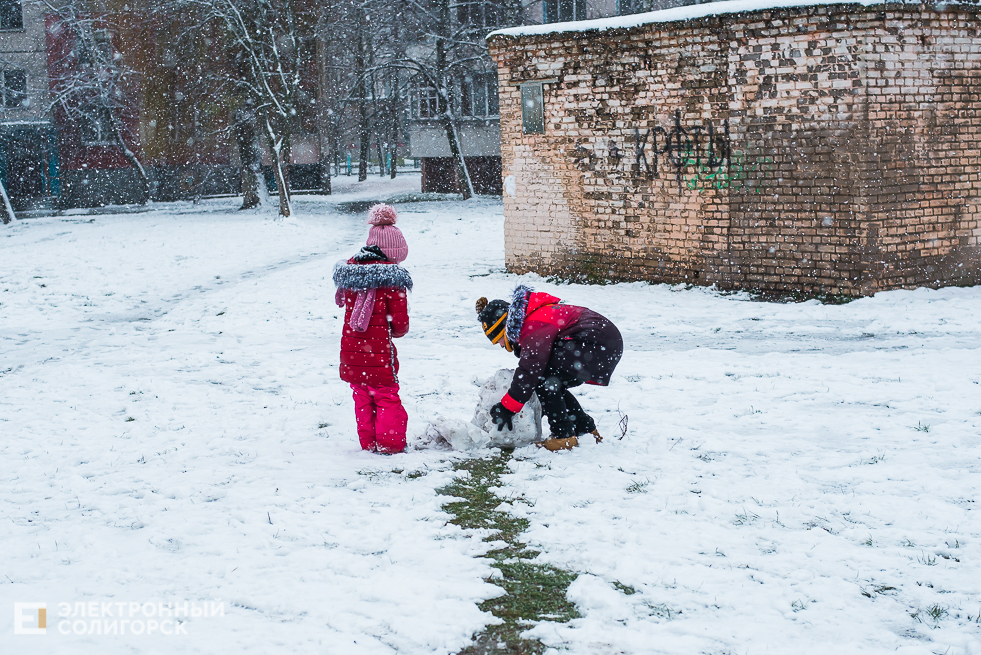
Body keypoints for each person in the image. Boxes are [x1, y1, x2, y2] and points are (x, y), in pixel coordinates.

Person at [476, 285, 623, 451]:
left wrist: (506, 408)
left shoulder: (533, 323)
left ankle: (563, 436)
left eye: (498, 341)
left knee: (543, 379)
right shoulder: (532, 317)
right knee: (552, 382)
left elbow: (529, 371)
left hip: (596, 343)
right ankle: (585, 430)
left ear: (504, 329)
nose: (501, 346)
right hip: (603, 342)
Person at [333, 204, 412, 454]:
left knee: (362, 396)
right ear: (393, 253)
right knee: (387, 396)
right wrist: (394, 332)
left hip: (352, 352)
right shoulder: (392, 280)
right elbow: (400, 324)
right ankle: (389, 445)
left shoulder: (352, 274)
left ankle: (368, 444)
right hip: (379, 353)